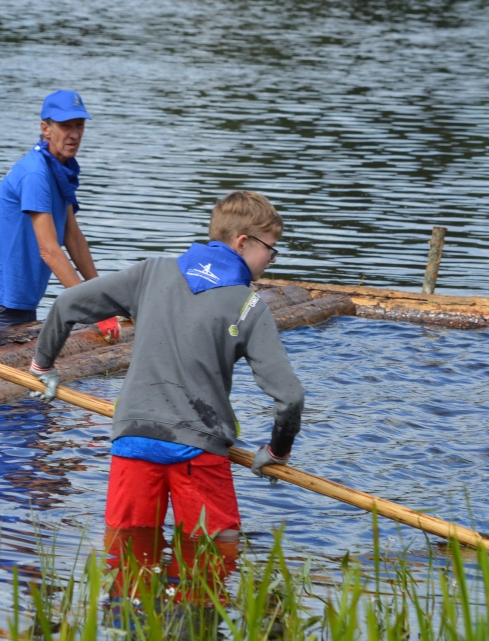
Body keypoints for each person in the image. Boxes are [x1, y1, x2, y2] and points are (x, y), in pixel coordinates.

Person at [27, 191, 305, 542]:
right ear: (242, 243)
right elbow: (290, 397)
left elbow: (67, 303)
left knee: (127, 558)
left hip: (134, 440)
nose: (271, 260)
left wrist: (42, 365)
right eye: (271, 248)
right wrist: (277, 451)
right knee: (216, 559)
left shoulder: (151, 272)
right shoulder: (249, 305)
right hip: (200, 450)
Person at [0, 89, 120, 341]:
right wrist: (94, 310)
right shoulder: (36, 175)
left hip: (23, 297)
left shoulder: (60, 169)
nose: (74, 134)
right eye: (65, 126)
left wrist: (103, 298)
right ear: (46, 129)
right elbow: (49, 249)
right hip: (0, 300)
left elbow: (73, 237)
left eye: (79, 125)